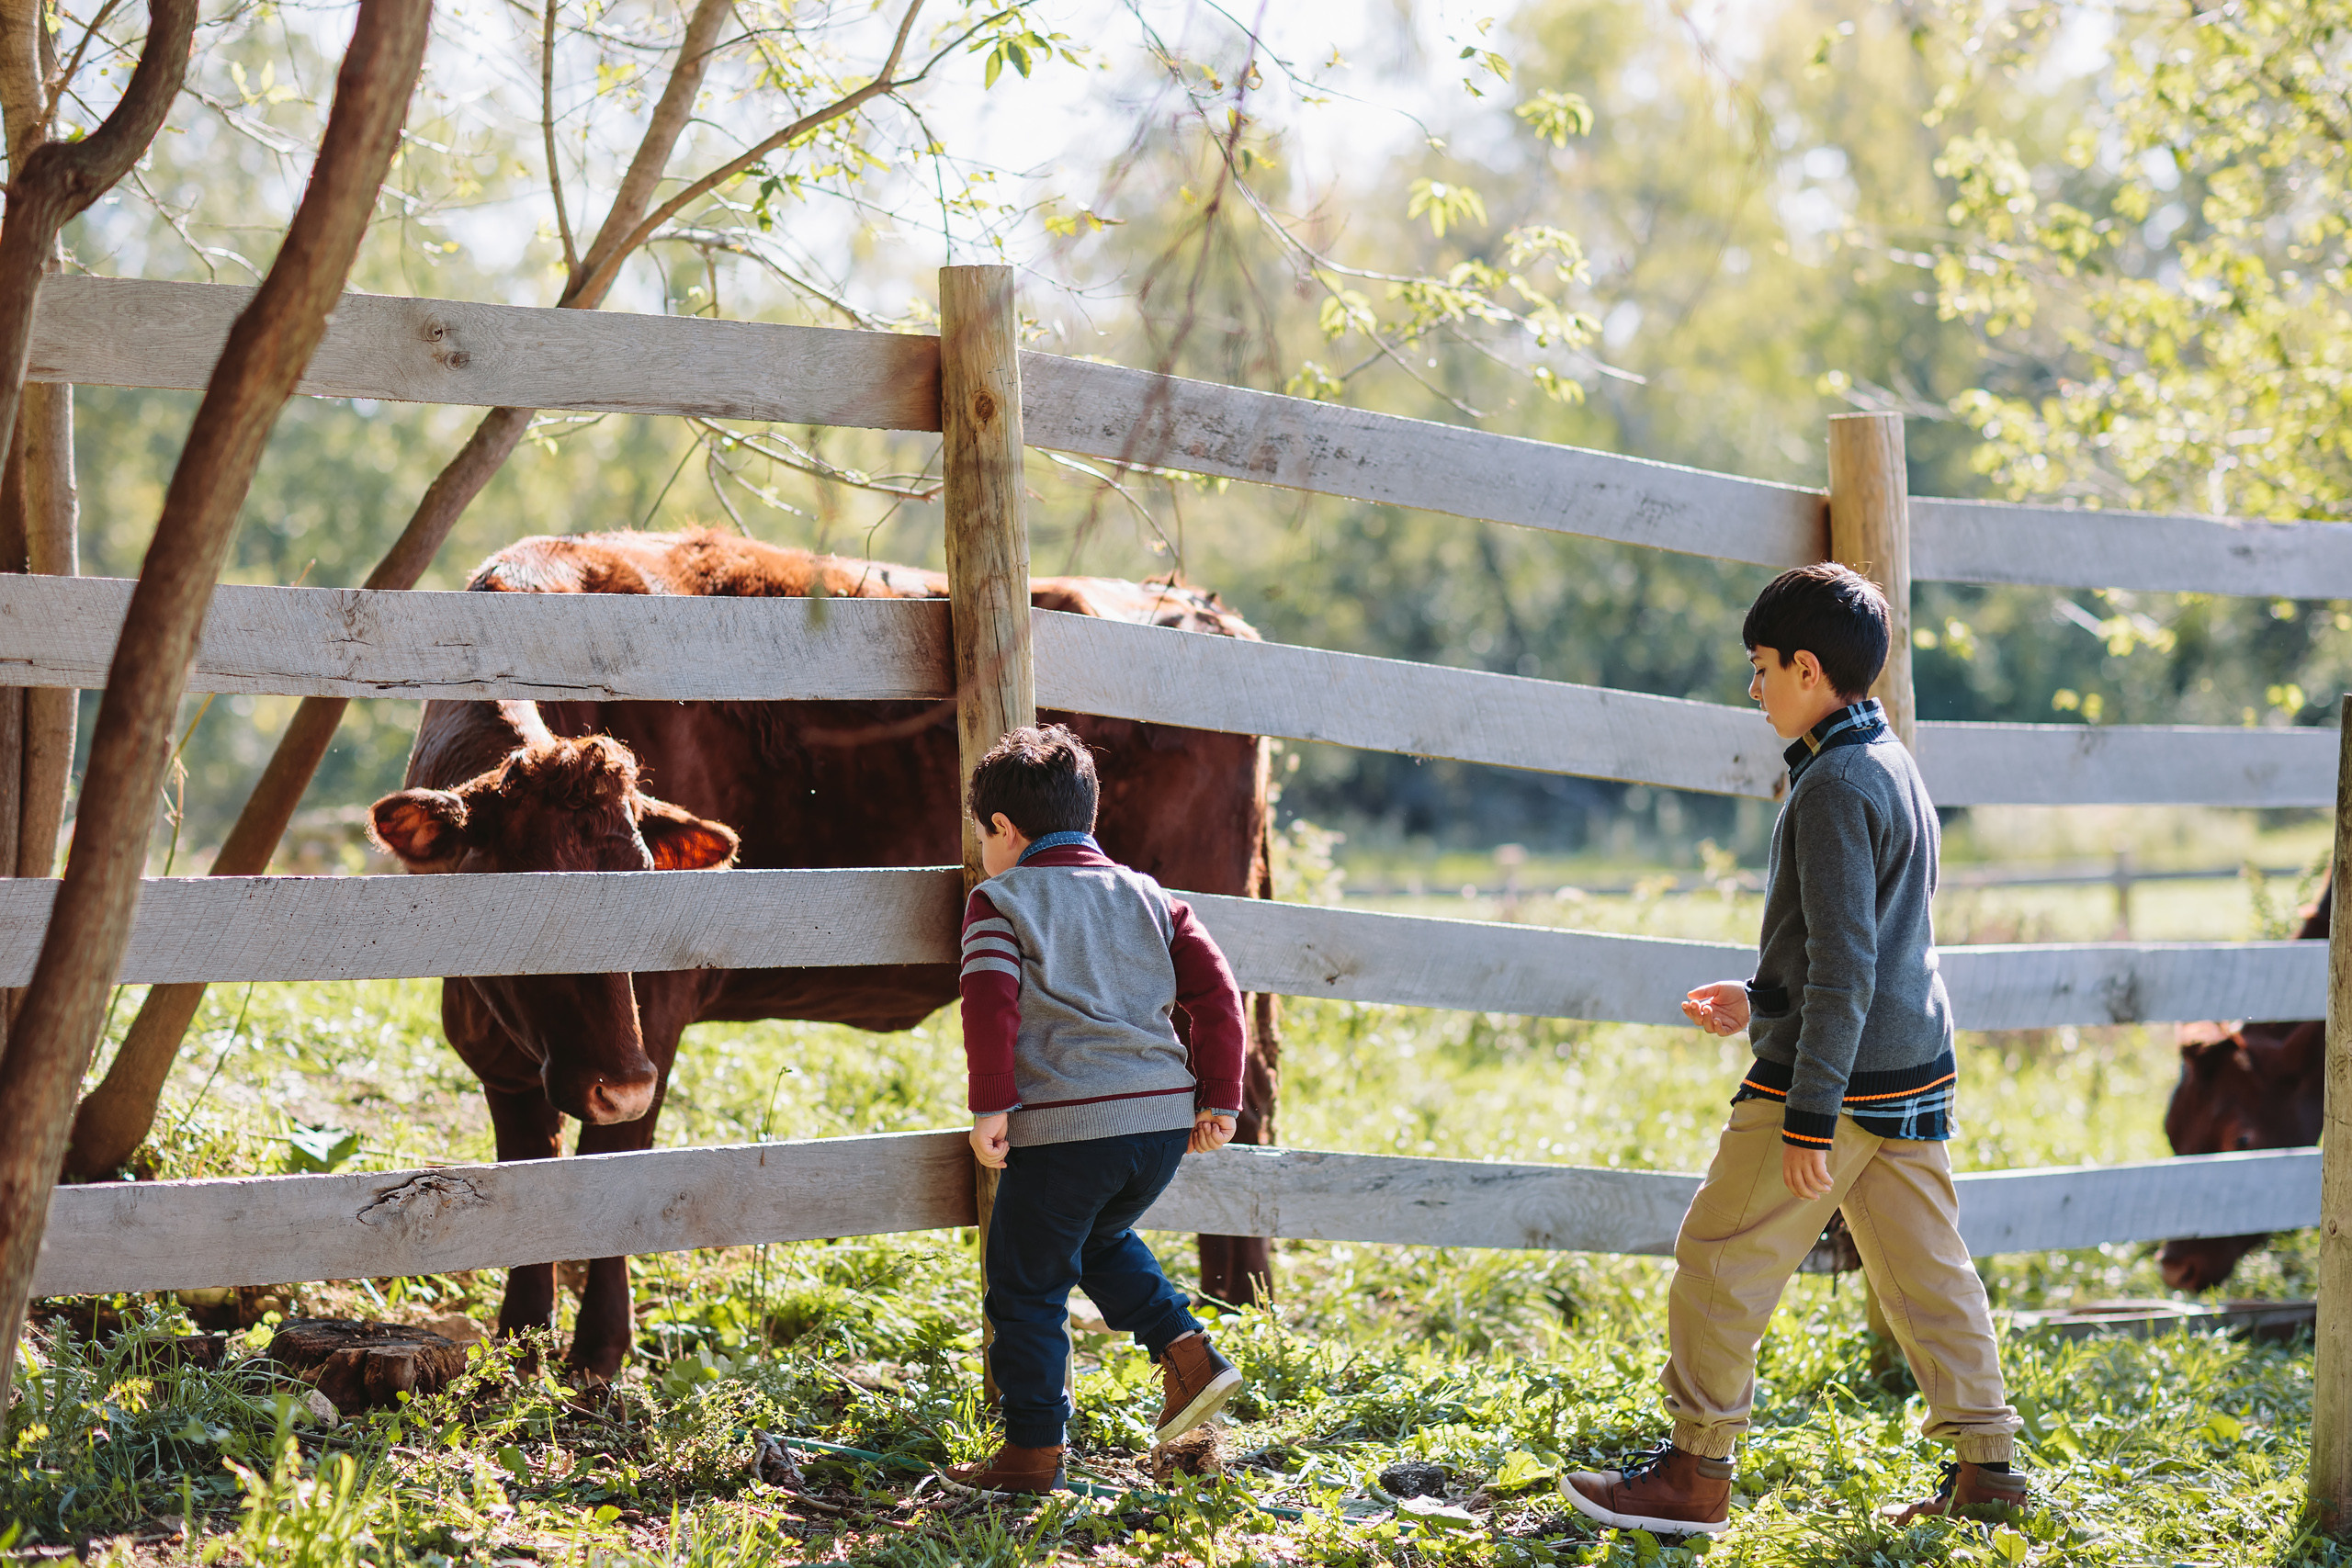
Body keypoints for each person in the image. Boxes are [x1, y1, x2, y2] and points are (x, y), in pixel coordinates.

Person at [1561, 563, 2026, 1536]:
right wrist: (1760, 994)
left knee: (1719, 1254)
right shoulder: (1887, 760)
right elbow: (1871, 945)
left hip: (1834, 1077)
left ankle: (1694, 1475)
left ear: (1807, 668)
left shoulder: (1829, 785)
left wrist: (1807, 1118)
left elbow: (1848, 969)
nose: (1753, 687)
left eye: (1762, 666)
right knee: (1927, 1272)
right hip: (1910, 1069)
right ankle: (1990, 1478)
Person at [944, 723, 1250, 1495]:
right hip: (1155, 1128)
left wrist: (991, 1105)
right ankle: (1187, 1356)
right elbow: (1217, 993)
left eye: (983, 833)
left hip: (1068, 1131)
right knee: (1098, 1234)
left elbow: (989, 1002)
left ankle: (1031, 1455)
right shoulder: (1150, 895)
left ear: (1003, 829)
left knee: (1025, 1284)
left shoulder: (999, 898)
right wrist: (1219, 1096)